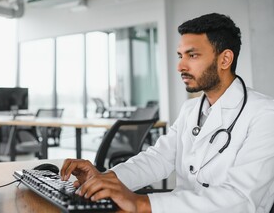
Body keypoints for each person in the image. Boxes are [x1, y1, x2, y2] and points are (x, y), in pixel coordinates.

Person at [60, 13, 274, 212]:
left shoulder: (265, 114)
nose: (180, 65)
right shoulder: (191, 109)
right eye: (180, 55)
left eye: (192, 55)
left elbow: (242, 199)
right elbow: (158, 159)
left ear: (225, 60)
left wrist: (142, 203)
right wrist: (107, 179)